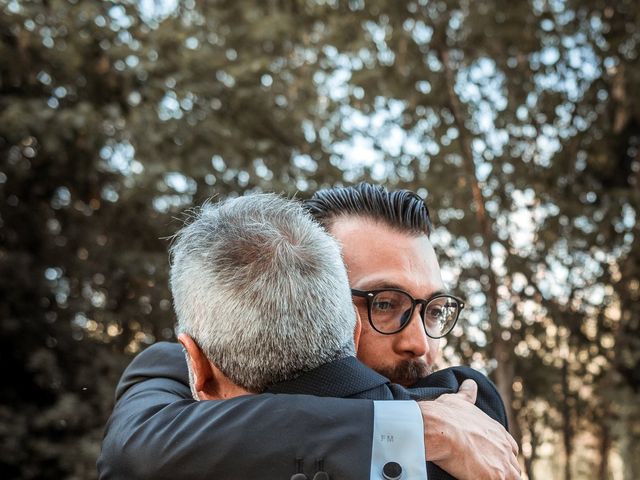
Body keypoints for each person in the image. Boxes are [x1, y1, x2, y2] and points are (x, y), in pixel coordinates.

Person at [98, 185, 520, 479]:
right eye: (385, 304)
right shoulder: (180, 371)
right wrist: (412, 428)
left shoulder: (466, 406)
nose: (419, 344)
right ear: (319, 292)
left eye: (432, 309)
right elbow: (137, 451)